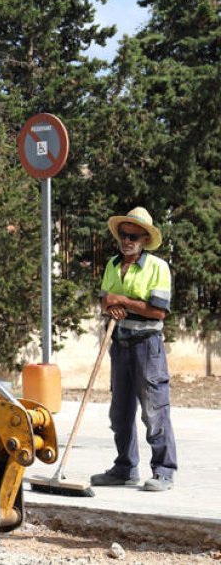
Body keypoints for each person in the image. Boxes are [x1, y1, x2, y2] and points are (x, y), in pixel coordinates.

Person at [90, 207, 177, 492]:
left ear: (144, 239)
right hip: (119, 345)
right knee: (120, 412)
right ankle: (124, 469)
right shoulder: (113, 265)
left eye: (134, 236)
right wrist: (111, 304)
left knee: (154, 410)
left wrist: (122, 301)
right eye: (123, 235)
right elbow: (105, 301)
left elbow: (158, 311)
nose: (127, 241)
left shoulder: (157, 268)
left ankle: (163, 470)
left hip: (146, 347)